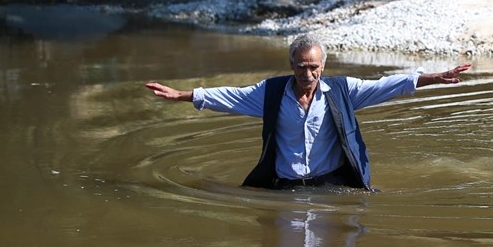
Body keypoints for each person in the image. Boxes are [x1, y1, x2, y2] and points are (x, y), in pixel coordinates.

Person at [145, 34, 471, 190]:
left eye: (314, 67)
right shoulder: (271, 94)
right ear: (291, 65)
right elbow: (231, 96)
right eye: (301, 67)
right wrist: (184, 95)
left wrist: (433, 78)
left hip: (331, 188)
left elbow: (385, 85)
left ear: (323, 66)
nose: (308, 74)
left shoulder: (341, 92)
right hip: (285, 189)